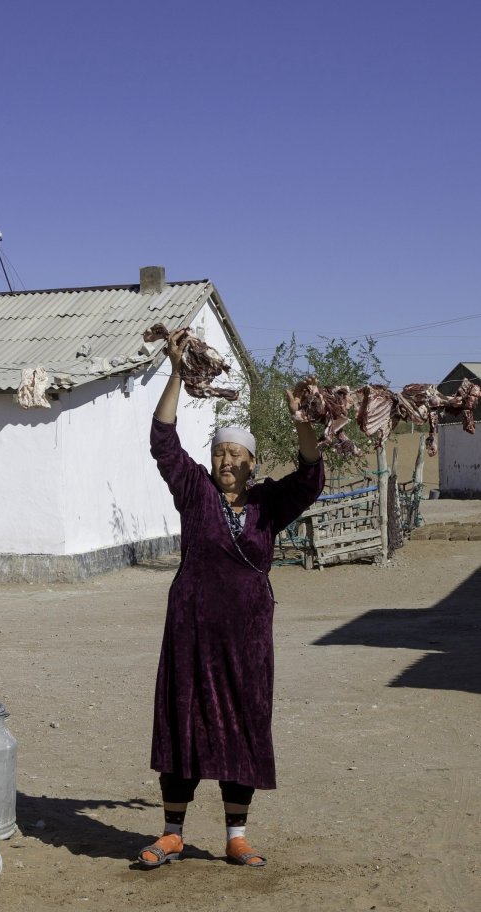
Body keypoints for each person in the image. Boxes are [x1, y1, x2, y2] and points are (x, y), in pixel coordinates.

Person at [138, 329, 325, 869]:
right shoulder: (195, 492)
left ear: (251, 461)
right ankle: (172, 832)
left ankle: (236, 835)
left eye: (235, 454)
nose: (224, 460)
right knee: (183, 716)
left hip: (246, 637)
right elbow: (163, 442)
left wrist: (302, 422)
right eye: (219, 452)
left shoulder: (269, 504)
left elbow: (311, 476)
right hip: (191, 630)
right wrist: (175, 371)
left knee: (243, 720)